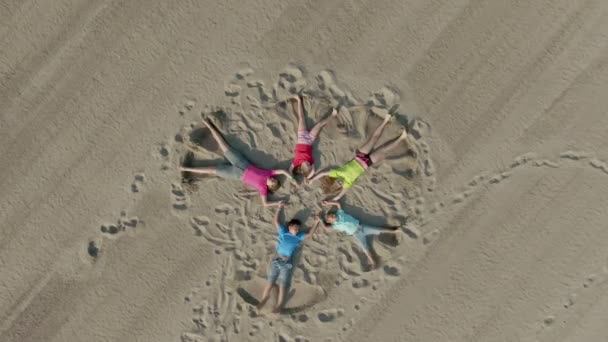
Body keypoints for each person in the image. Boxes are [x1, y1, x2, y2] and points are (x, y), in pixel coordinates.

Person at [179, 118, 295, 207]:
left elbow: (265, 204)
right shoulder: (269, 173)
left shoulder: (263, 189)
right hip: (242, 162)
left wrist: (278, 203)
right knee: (224, 145)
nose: (272, 180)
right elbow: (282, 171)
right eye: (274, 179)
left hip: (236, 174)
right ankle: (209, 125)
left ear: (270, 187)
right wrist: (291, 177)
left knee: (212, 170)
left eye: (272, 182)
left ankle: (186, 169)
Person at [308, 112, 408, 201]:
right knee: (384, 150)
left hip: (360, 156)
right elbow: (338, 196)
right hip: (367, 163)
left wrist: (312, 179)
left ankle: (385, 121)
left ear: (334, 181)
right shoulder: (347, 183)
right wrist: (331, 200)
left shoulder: (337, 173)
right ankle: (401, 138)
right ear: (340, 187)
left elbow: (323, 173)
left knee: (374, 138)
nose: (339, 182)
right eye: (339, 185)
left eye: (337, 182)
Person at [257, 204, 320, 313]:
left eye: (298, 229)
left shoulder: (298, 237)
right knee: (270, 281)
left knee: (283, 284)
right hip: (276, 259)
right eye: (295, 228)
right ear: (290, 227)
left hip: (287, 261)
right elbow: (276, 222)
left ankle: (279, 305)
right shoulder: (283, 232)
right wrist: (279, 208)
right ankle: (264, 299)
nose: (297, 230)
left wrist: (316, 222)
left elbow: (309, 234)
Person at [321, 200, 401, 269]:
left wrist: (328, 203)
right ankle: (373, 262)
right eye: (331, 216)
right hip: (356, 234)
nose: (333, 215)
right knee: (364, 248)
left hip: (361, 227)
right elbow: (326, 229)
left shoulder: (340, 213)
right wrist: (320, 220)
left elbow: (337, 203)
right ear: (330, 221)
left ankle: (394, 231)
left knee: (377, 229)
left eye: (332, 214)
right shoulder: (335, 226)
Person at [287, 94, 338, 181]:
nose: (308, 163)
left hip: (301, 137)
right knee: (320, 124)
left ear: (302, 168)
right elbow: (312, 172)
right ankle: (333, 115)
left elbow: (290, 171)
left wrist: (294, 181)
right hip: (310, 139)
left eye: (307, 165)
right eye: (310, 165)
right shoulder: (310, 162)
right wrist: (309, 178)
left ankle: (299, 100)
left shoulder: (296, 162)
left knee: (301, 118)